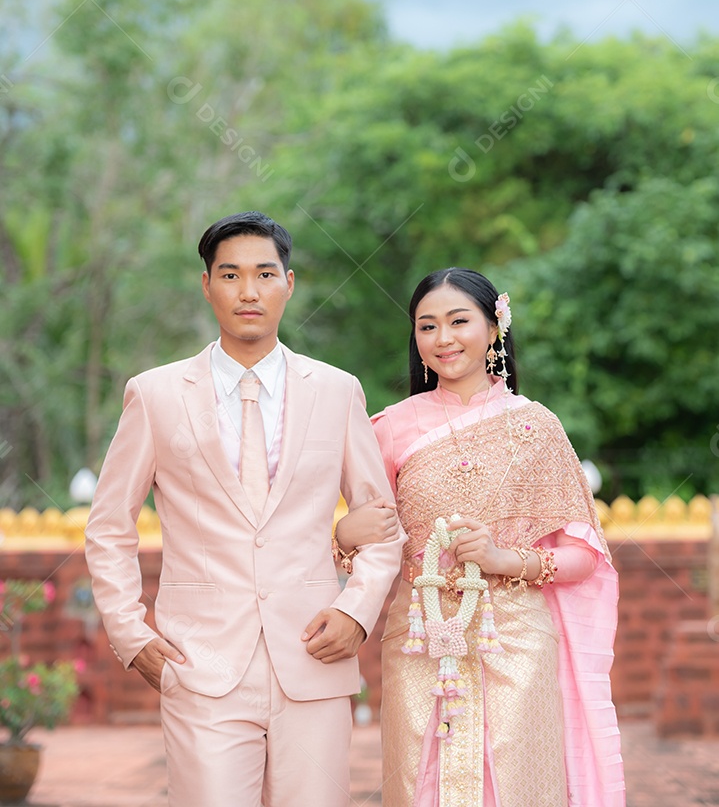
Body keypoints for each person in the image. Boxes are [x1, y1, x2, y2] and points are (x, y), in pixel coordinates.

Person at [85, 211, 404, 807]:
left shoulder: (338, 391)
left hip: (313, 656)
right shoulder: (154, 395)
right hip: (200, 666)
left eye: (264, 274)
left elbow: (382, 524)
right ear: (206, 285)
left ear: (290, 282)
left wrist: (357, 610)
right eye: (230, 275)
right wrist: (129, 633)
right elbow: (109, 527)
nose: (248, 291)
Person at [336, 267, 626, 807]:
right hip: (420, 639)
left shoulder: (536, 426)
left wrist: (503, 559)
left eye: (458, 321)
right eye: (427, 326)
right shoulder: (388, 428)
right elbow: (370, 544)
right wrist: (343, 535)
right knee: (417, 783)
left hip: (516, 640)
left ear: (494, 328)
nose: (443, 339)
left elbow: (585, 557)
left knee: (517, 785)